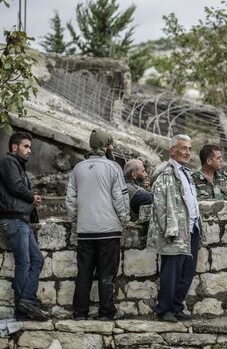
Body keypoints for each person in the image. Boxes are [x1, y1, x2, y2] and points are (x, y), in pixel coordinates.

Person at [65, 128, 129, 320]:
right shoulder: (113, 167)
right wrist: (125, 219)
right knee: (107, 274)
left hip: (85, 231)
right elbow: (120, 198)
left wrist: (77, 222)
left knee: (84, 273)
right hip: (108, 231)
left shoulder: (78, 168)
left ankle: (80, 312)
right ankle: (106, 311)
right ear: (107, 146)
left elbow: (70, 200)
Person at [0, 131, 48, 321]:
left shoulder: (17, 165)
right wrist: (32, 197)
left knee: (37, 259)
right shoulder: (8, 163)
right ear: (14, 147)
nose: (29, 150)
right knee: (25, 262)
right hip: (12, 218)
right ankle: (21, 312)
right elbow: (16, 186)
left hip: (20, 219)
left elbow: (18, 188)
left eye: (30, 147)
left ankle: (27, 301)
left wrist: (31, 199)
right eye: (26, 146)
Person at [147, 134, 201, 323]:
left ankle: (177, 306)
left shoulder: (186, 172)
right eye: (183, 148)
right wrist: (170, 228)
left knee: (187, 271)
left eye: (189, 149)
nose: (187, 152)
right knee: (171, 271)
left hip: (192, 229)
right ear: (172, 150)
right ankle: (164, 309)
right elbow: (161, 204)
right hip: (176, 230)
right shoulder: (166, 172)